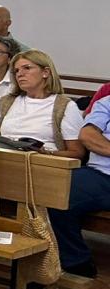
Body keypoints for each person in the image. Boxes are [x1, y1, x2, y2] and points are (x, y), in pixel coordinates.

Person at [48, 98, 110, 278]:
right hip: (100, 173)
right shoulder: (107, 102)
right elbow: (87, 135)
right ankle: (75, 260)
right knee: (54, 190)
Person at [0, 50, 85, 159]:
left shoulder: (64, 106)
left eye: (27, 68)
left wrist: (46, 154)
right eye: (16, 71)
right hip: (3, 159)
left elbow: (77, 152)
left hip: (43, 164)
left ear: (45, 72)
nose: (20, 74)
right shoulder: (5, 102)